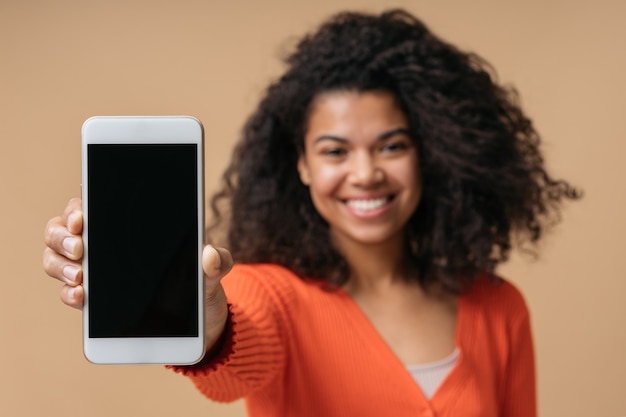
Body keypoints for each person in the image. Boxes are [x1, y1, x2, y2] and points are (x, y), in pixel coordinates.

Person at [43, 8, 580, 417]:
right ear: (299, 164)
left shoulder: (499, 307)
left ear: (429, 153)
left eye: (392, 146)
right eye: (334, 150)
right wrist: (206, 324)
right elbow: (232, 360)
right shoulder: (274, 295)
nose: (366, 172)